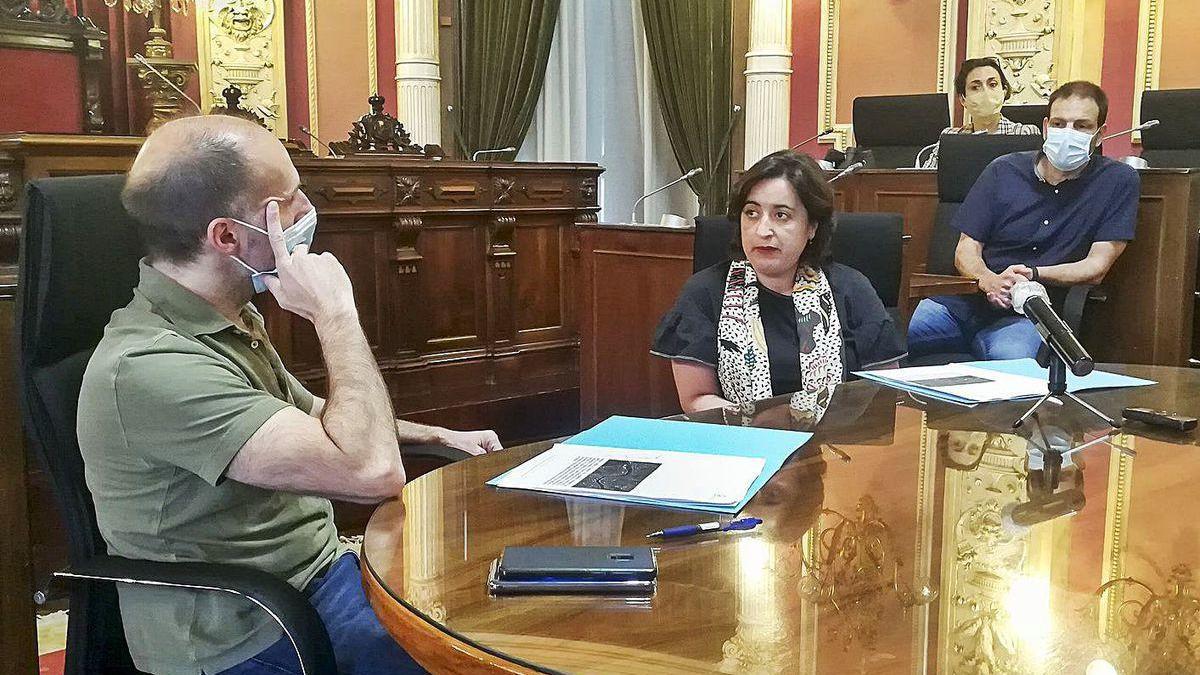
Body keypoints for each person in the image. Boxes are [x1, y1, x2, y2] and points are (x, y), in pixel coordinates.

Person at [77, 114, 503, 675]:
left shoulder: (226, 316)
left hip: (323, 579)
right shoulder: (147, 367)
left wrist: (438, 433)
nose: (307, 212)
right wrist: (336, 313)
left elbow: (312, 414)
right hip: (252, 632)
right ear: (227, 236)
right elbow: (372, 473)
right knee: (476, 662)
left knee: (498, 606)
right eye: (289, 200)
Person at [651, 150, 906, 413]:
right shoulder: (705, 292)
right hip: (742, 442)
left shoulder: (852, 290)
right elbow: (696, 398)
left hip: (837, 448)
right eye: (751, 213)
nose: (762, 230)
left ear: (812, 227)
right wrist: (762, 429)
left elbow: (885, 395)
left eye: (781, 215)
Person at [907, 81, 1140, 361]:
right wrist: (987, 280)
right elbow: (965, 249)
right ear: (1045, 127)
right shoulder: (1003, 170)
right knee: (897, 335)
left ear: (1100, 135)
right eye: (1058, 123)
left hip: (1032, 313)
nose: (1067, 133)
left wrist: (1033, 274)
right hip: (967, 300)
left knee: (1012, 360)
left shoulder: (1117, 181)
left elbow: (1096, 267)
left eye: (1081, 126)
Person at [921, 57, 1040, 168]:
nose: (985, 92)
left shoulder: (1024, 133)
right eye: (975, 87)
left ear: (1004, 91)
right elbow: (924, 181)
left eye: (992, 85)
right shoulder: (950, 137)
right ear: (963, 99)